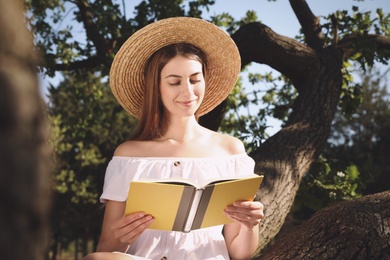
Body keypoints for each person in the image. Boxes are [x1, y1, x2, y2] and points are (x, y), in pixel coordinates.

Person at [84, 17, 264, 260]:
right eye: (174, 82)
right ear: (156, 87)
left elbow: (239, 253)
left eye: (194, 79)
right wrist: (122, 238)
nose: (188, 92)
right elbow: (107, 248)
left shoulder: (230, 150)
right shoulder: (129, 154)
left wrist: (250, 226)